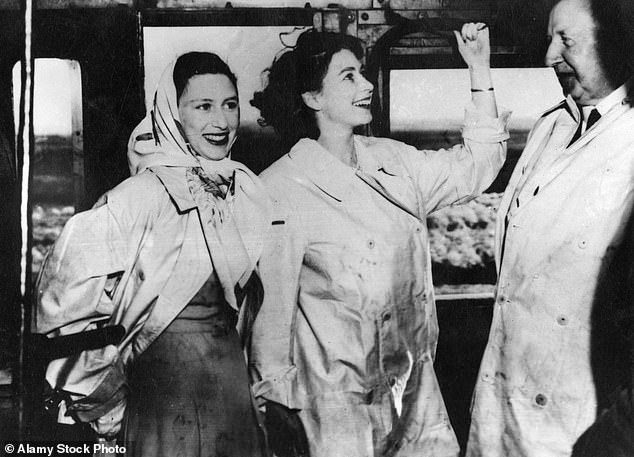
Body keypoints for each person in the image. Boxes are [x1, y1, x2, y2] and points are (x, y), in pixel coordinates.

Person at [249, 25, 510, 457]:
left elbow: (478, 164)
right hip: (334, 411)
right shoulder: (280, 190)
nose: (367, 84)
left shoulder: (393, 162)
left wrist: (479, 67)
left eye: (364, 73)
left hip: (414, 395)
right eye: (348, 76)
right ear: (312, 98)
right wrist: (274, 414)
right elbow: (269, 326)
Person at [34, 52, 269, 457]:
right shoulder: (138, 198)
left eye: (230, 105)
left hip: (233, 398)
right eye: (203, 106)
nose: (221, 122)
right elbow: (62, 307)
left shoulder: (245, 194)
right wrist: (106, 407)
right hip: (162, 403)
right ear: (173, 114)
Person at [466, 0, 634, 455]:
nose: (548, 57)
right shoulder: (551, 126)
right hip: (504, 399)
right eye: (549, 39)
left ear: (616, 43)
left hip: (574, 418)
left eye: (567, 41)